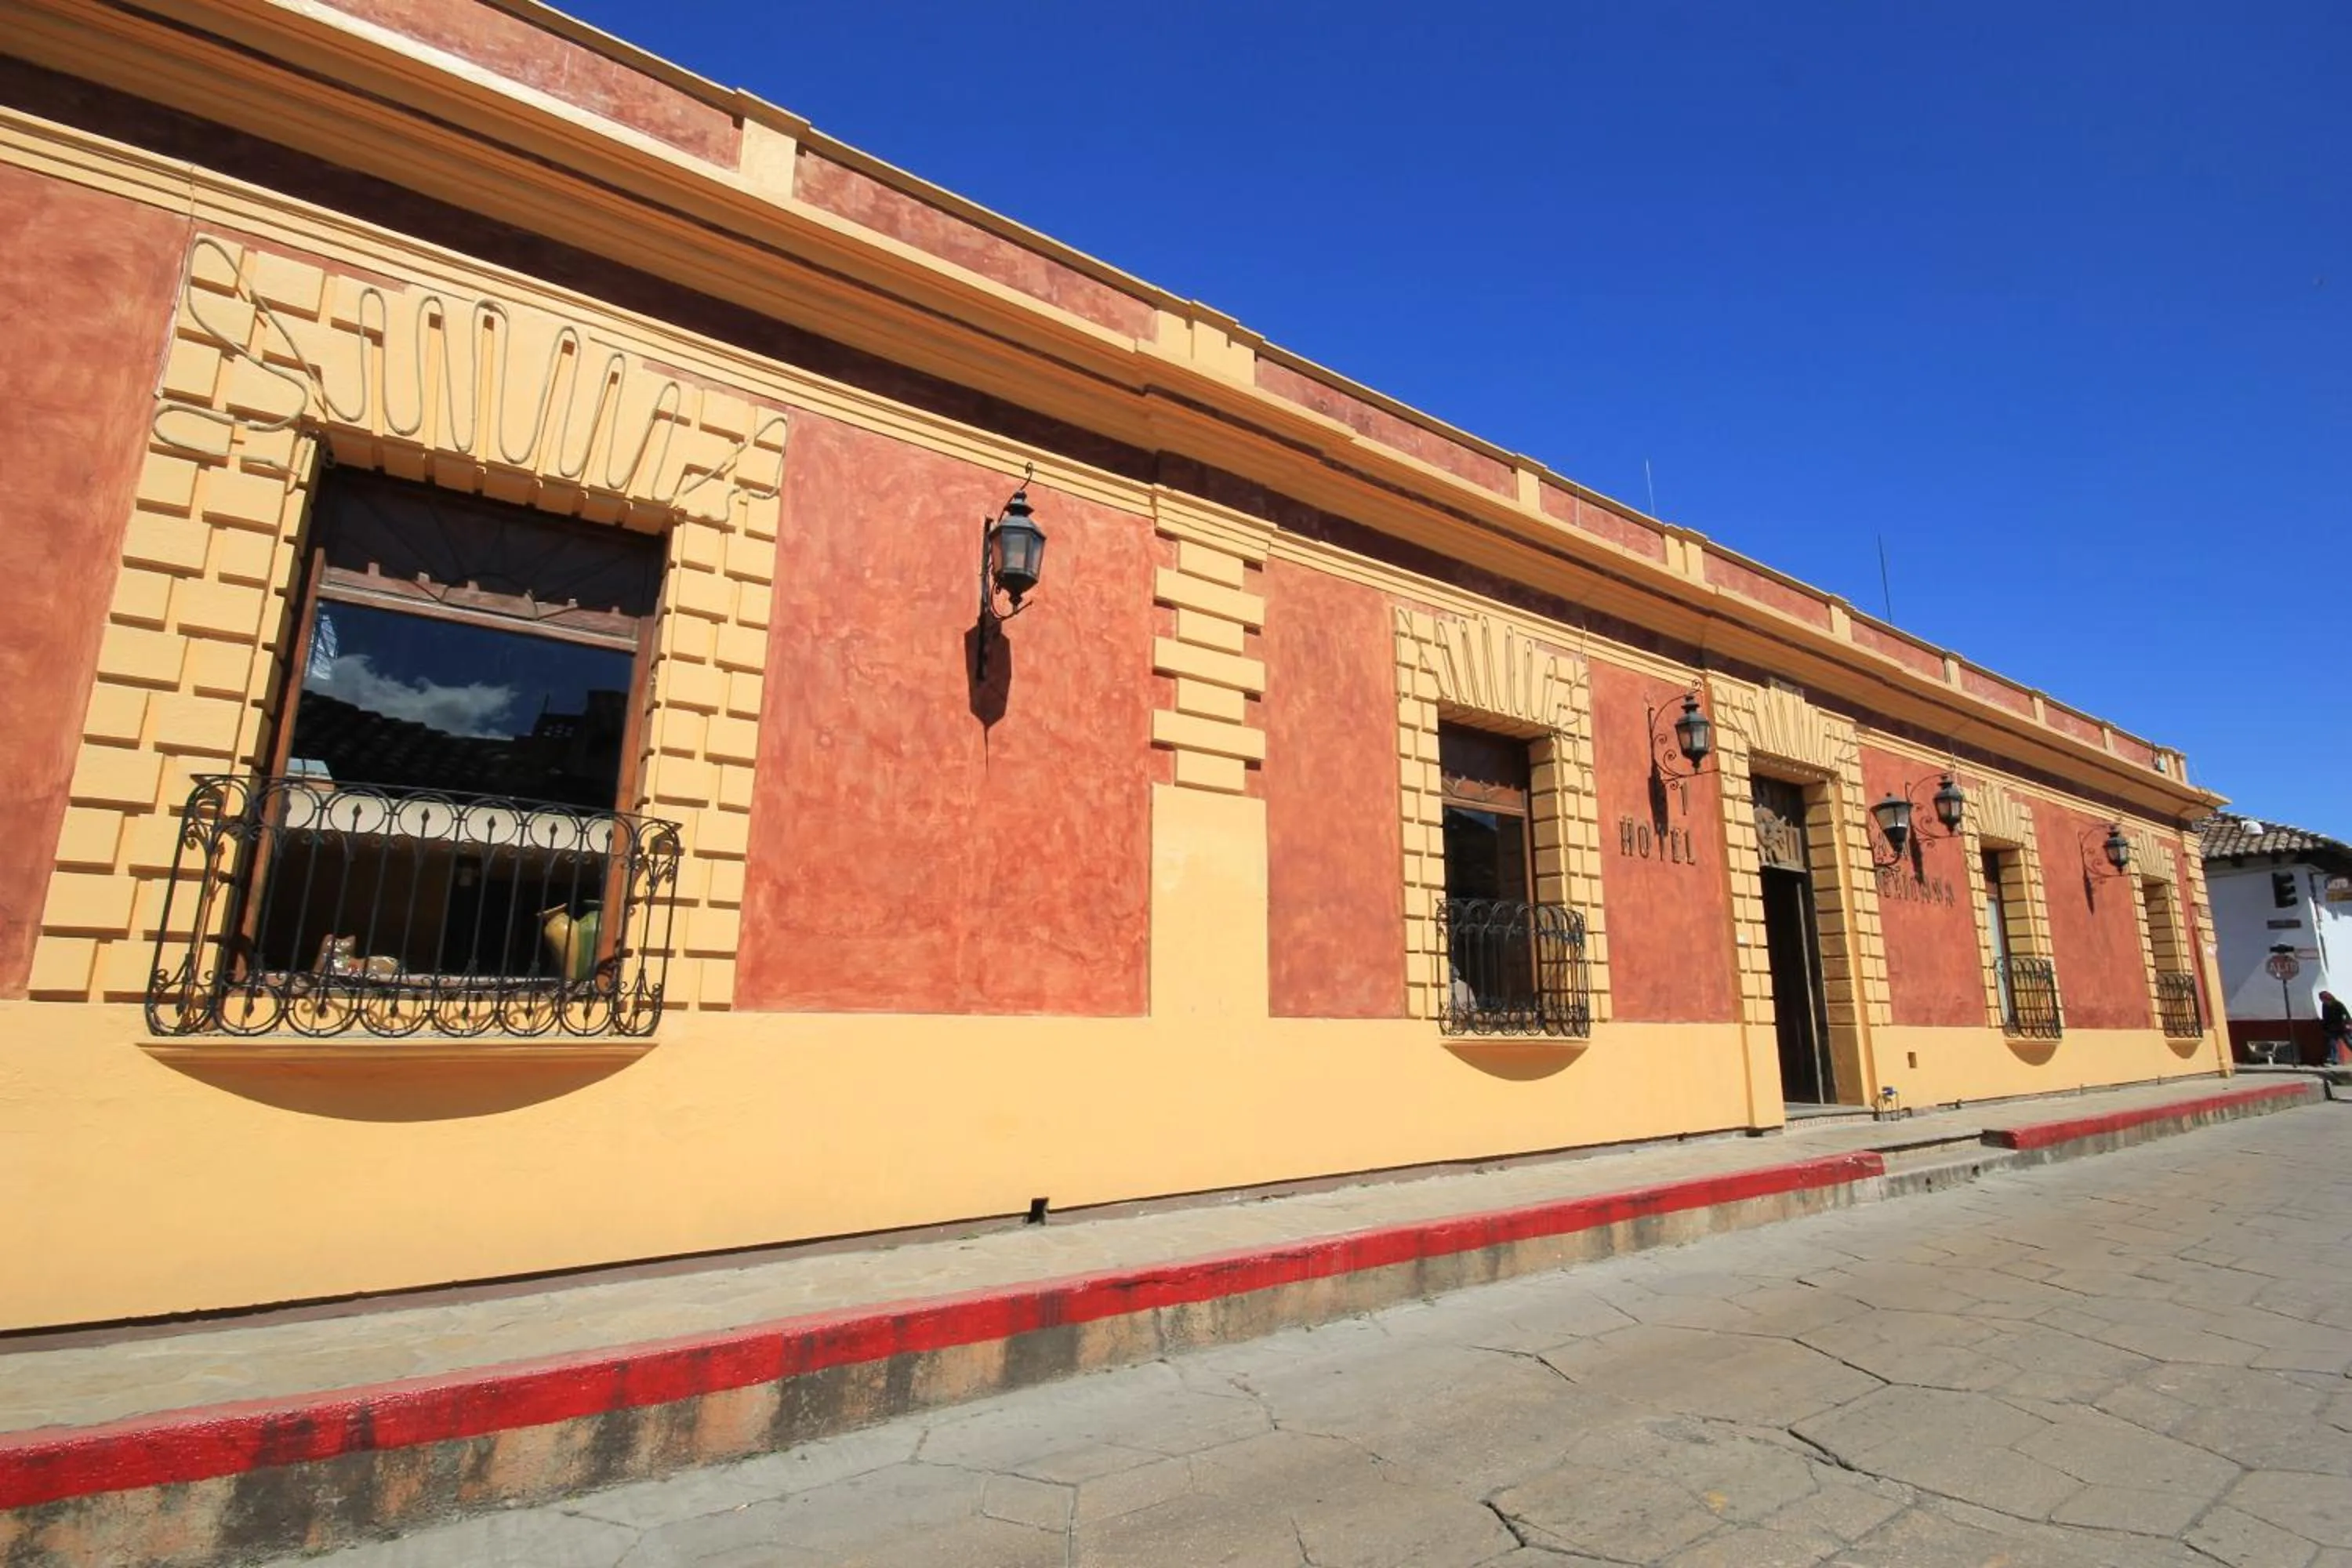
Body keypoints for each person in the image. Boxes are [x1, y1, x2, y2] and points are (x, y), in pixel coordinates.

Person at [2321, 990, 2351, 1066]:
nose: (2323, 1001)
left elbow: (2345, 1015)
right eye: (2321, 1000)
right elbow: (2325, 1018)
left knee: (2349, 1042)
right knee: (2332, 1044)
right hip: (2332, 1028)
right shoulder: (2325, 1006)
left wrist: (2346, 1024)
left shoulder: (2338, 1004)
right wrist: (2325, 1028)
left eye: (2323, 999)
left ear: (2328, 998)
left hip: (2342, 1027)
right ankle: (2334, 1060)